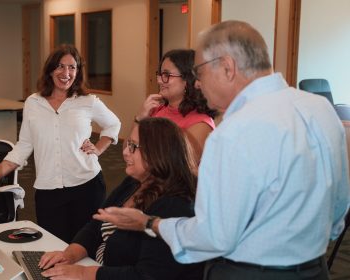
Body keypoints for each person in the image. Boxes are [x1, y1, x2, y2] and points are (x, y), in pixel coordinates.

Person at [94, 20, 350, 280]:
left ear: (228, 67)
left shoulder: (233, 132)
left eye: (200, 73)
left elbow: (213, 236)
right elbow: (340, 203)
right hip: (315, 269)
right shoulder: (321, 110)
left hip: (249, 272)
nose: (196, 84)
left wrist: (150, 223)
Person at [0, 45, 121, 243]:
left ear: (78, 71)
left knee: (86, 246)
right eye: (60, 67)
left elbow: (113, 123)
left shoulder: (87, 101)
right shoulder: (33, 103)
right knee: (54, 246)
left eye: (72, 67)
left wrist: (98, 148)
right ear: (50, 70)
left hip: (87, 186)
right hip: (48, 191)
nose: (66, 73)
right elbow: (23, 146)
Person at [39, 117, 204, 280]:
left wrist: (83, 273)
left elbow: (147, 276)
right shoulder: (134, 182)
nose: (125, 152)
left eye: (133, 146)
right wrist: (69, 255)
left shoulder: (175, 205)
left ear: (158, 153)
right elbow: (96, 224)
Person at [134, 49, 216, 161]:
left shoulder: (201, 124)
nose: (159, 81)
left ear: (188, 79)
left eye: (167, 74)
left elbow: (174, 167)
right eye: (160, 74)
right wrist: (139, 118)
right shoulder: (155, 110)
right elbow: (128, 151)